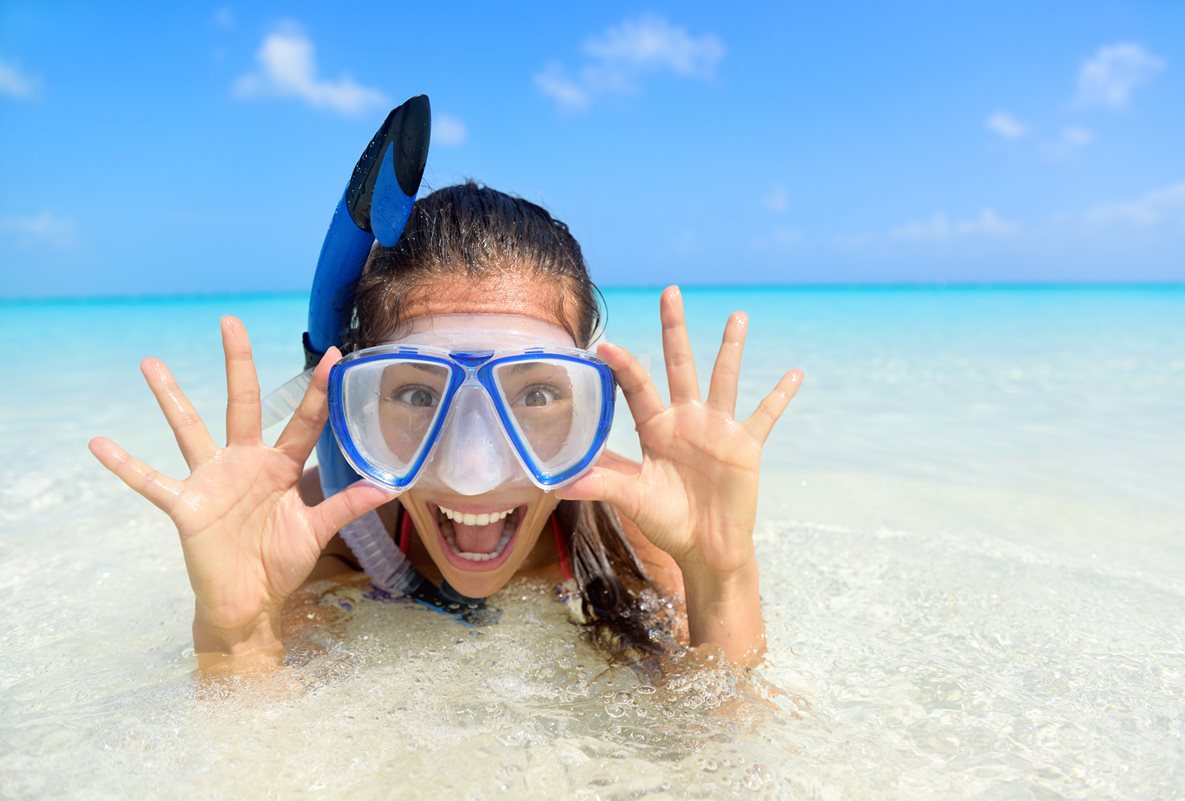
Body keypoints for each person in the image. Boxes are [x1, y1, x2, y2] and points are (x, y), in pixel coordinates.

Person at [88, 182, 803, 676]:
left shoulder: (631, 534)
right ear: (354, 407)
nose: (474, 464)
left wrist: (722, 573)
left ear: (592, 405)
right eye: (416, 395)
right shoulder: (312, 541)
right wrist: (235, 633)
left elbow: (727, 755)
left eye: (539, 394)